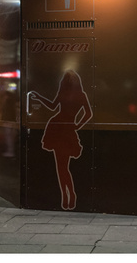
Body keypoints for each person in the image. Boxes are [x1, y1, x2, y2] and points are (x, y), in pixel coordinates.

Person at [28, 70, 94, 210]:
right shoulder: (80, 95)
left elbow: (53, 107)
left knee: (61, 167)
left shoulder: (64, 93)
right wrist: (76, 125)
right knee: (63, 167)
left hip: (58, 127)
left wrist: (39, 97)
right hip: (65, 129)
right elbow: (88, 113)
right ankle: (69, 195)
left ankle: (67, 195)